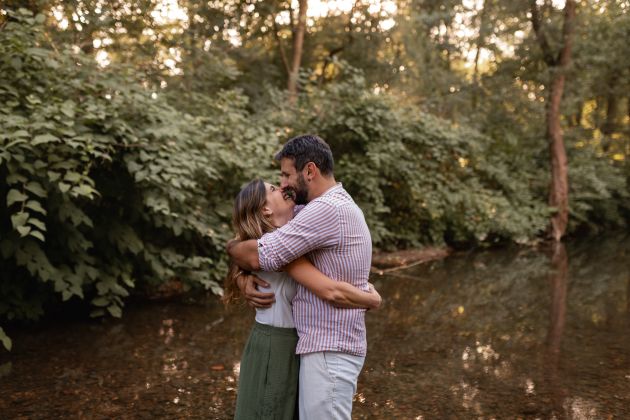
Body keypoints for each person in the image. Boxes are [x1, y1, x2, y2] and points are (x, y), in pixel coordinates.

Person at [227, 134, 374, 419]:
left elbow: (333, 282)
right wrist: (370, 297)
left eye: (284, 177)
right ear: (266, 209)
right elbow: (329, 287)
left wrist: (368, 294)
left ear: (309, 171)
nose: (283, 185)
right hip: (286, 344)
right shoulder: (290, 232)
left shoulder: (314, 214)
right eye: (276, 184)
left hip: (316, 346)